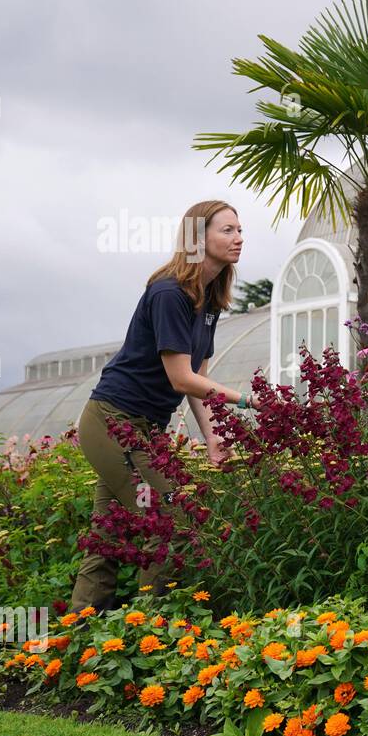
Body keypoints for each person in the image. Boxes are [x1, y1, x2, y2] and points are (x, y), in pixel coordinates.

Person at [68, 200, 259, 613]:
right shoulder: (170, 292)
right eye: (227, 230)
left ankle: (81, 640)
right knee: (166, 515)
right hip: (111, 422)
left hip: (144, 431)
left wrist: (212, 436)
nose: (239, 238)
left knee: (109, 534)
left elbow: (197, 381)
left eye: (240, 230)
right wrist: (246, 400)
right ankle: (148, 627)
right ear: (198, 237)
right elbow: (181, 378)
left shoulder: (207, 302)